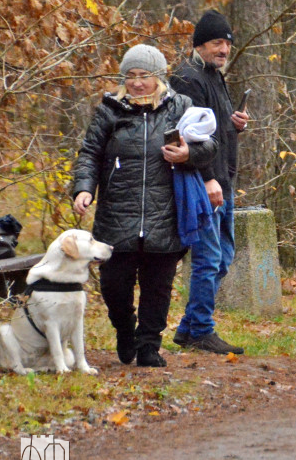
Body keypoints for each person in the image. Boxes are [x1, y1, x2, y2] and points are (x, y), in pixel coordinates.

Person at [72, 44, 217, 367]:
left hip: (165, 212)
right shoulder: (110, 109)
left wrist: (189, 155)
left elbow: (209, 146)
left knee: (158, 286)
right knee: (114, 285)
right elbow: (89, 153)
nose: (137, 83)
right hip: (116, 215)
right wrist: (84, 189)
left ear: (159, 77)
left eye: (145, 76)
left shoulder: (182, 106)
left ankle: (149, 345)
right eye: (131, 76)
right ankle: (125, 330)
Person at [170, 10, 249, 355]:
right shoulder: (188, 79)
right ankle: (201, 329)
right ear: (200, 44)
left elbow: (211, 130)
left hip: (224, 182)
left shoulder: (214, 76)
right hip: (205, 185)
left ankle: (189, 328)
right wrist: (207, 181)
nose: (224, 50)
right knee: (208, 258)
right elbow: (188, 139)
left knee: (223, 257)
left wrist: (235, 124)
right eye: (217, 43)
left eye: (228, 44)